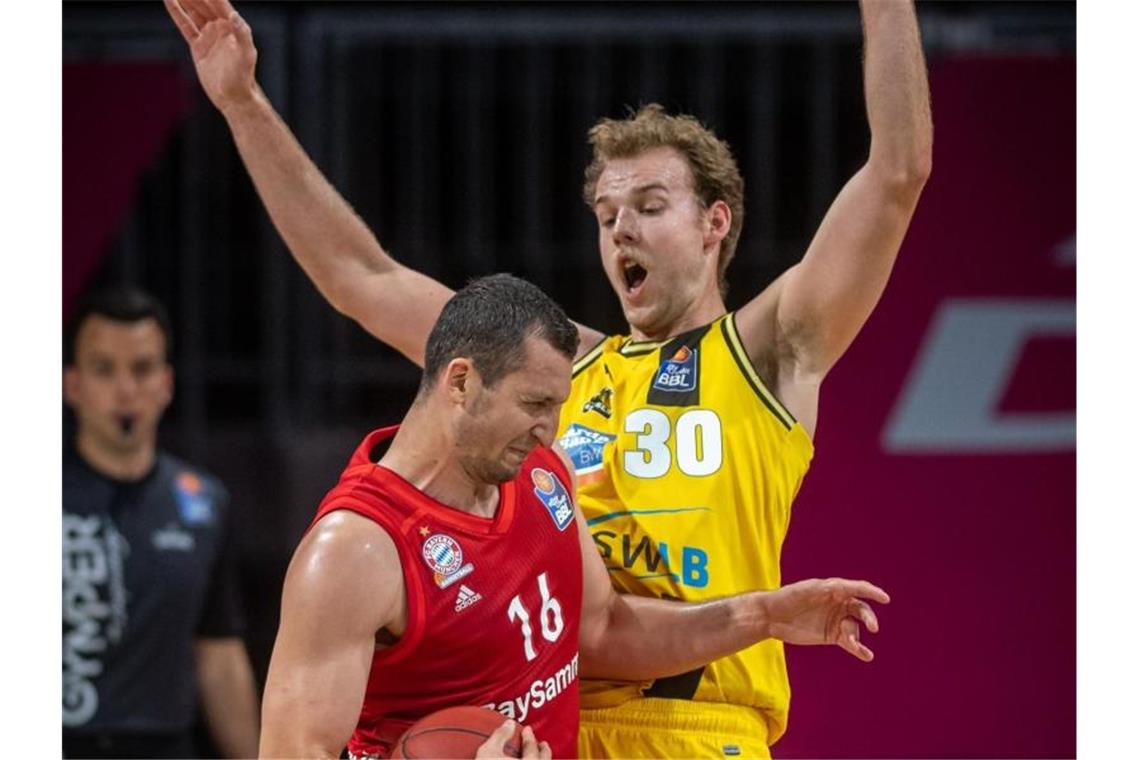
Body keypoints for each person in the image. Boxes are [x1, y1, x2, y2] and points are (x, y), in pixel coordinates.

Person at [166, 0, 931, 755]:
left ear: (715, 222)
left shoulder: (767, 349)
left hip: (695, 729)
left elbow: (898, 171)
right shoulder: (553, 365)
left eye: (650, 205)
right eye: (606, 213)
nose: (621, 227)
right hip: (542, 728)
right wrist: (243, 103)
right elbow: (358, 275)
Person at [259, 274, 889, 760]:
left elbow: (605, 630)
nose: (550, 429)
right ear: (459, 382)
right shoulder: (356, 549)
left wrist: (762, 614)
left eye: (558, 405)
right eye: (534, 402)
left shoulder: (543, 473)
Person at [62, 288, 260, 759]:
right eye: (104, 369)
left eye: (142, 368)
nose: (125, 389)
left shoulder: (204, 504)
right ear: (72, 384)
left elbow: (219, 653)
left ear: (166, 383)